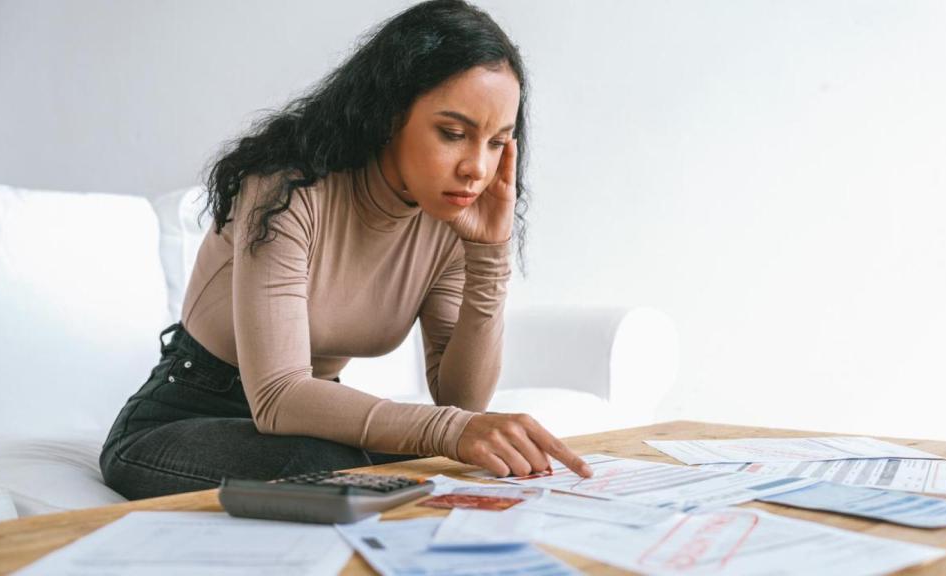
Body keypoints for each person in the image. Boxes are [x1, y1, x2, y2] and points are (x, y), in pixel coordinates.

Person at [100, 0, 592, 501]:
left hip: (312, 424)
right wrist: (450, 430)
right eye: (453, 134)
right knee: (335, 467)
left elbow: (460, 400)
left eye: (496, 143)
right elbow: (277, 397)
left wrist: (490, 256)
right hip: (185, 415)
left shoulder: (448, 217)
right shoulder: (287, 190)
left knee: (449, 464)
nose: (476, 167)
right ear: (390, 114)